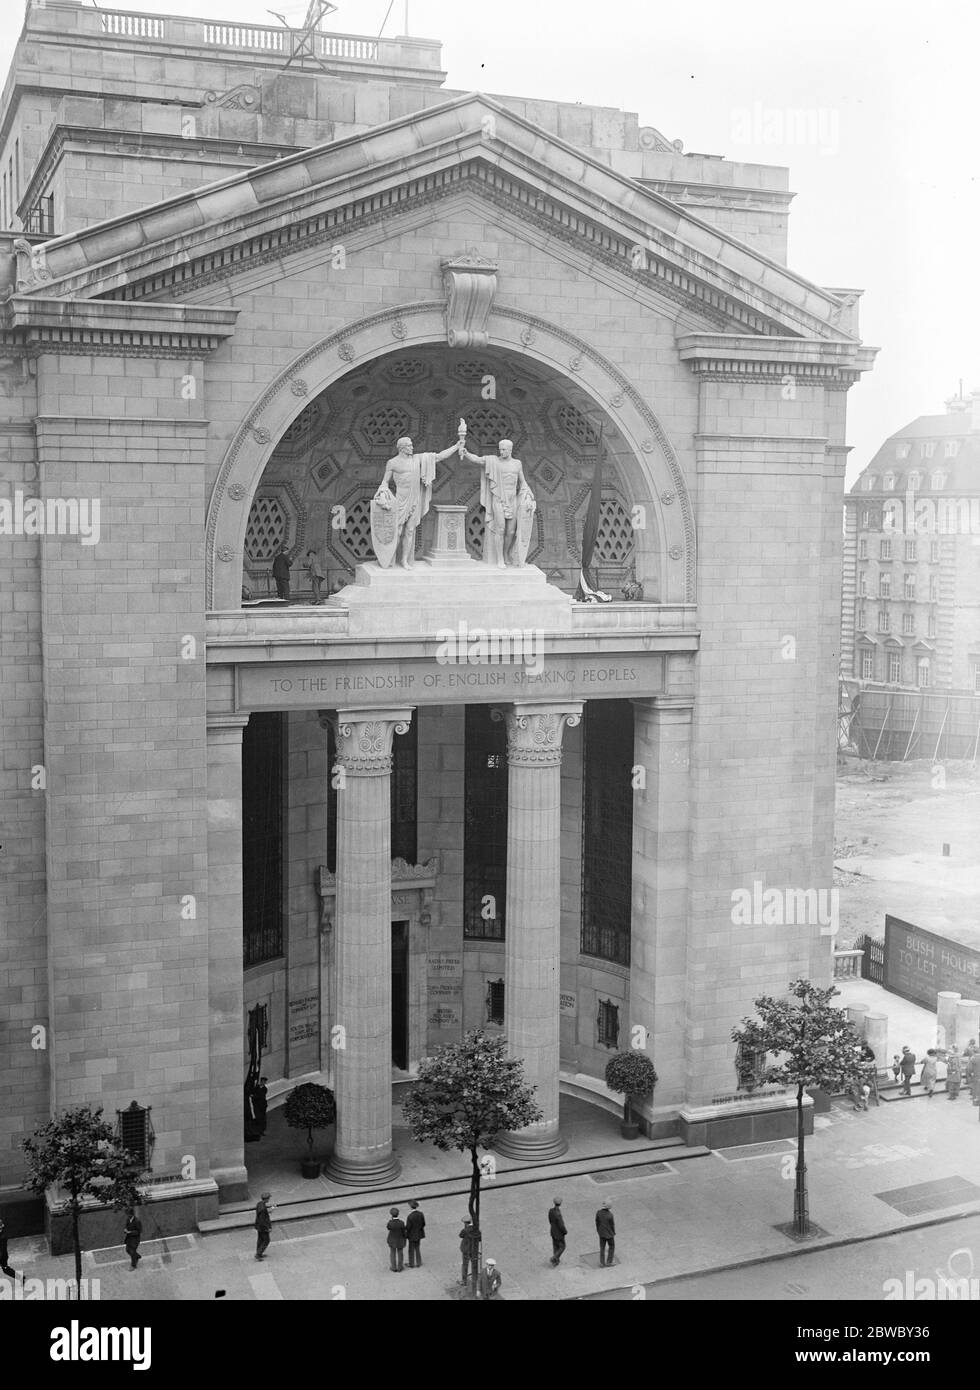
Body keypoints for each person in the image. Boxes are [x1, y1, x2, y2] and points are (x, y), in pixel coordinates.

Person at [372, 436, 461, 569]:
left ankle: (404, 560)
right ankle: (388, 558)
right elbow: (385, 481)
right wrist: (382, 492)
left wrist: (456, 446)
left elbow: (439, 457)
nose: (412, 447)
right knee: (397, 531)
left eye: (412, 445)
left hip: (415, 499)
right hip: (400, 500)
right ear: (402, 448)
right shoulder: (392, 463)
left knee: (410, 531)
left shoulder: (417, 459)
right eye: (409, 445)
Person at [459, 437, 536, 568]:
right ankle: (500, 558)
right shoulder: (494, 461)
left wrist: (528, 494)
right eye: (500, 449)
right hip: (499, 499)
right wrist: (466, 453)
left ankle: (506, 554)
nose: (501, 451)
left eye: (504, 449)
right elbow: (478, 460)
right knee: (500, 529)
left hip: (513, 500)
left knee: (511, 532)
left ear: (510, 450)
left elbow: (522, 481)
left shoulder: (517, 463)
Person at [459, 1217, 480, 1287]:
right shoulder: (476, 1229)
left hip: (466, 1249)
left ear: (465, 1223)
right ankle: (475, 1278)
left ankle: (464, 1281)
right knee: (474, 1263)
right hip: (474, 1249)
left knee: (465, 1265)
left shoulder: (465, 1230)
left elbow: (460, 1235)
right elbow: (479, 1239)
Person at [405, 1199, 425, 1268]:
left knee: (411, 1249)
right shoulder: (421, 1214)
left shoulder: (410, 1216)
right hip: (419, 1234)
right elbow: (423, 1224)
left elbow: (408, 1227)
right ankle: (418, 1262)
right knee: (417, 1248)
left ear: (410, 1207)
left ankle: (411, 1263)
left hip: (412, 1235)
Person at [386, 1207, 406, 1273]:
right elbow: (404, 1231)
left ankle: (393, 1267)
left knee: (392, 1253)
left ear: (391, 1215)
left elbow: (388, 1228)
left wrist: (390, 1220)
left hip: (392, 1240)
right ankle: (400, 1267)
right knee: (400, 1253)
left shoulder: (390, 1223)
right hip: (400, 1240)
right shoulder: (402, 1223)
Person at [548, 1197, 567, 1266]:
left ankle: (556, 1262)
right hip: (559, 1234)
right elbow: (561, 1225)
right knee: (562, 1246)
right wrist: (565, 1231)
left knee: (555, 1246)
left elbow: (550, 1220)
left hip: (553, 1231)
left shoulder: (551, 1211)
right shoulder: (558, 1214)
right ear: (560, 1203)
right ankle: (554, 1258)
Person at [596, 1201, 616, 1267]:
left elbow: (597, 1222)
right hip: (609, 1234)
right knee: (611, 1246)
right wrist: (613, 1232)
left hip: (601, 1233)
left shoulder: (598, 1213)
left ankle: (602, 1262)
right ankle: (609, 1262)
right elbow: (612, 1225)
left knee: (602, 1248)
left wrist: (598, 1230)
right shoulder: (610, 1215)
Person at [255, 1192, 273, 1260]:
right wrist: (268, 1228)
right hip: (263, 1227)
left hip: (258, 1226)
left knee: (260, 1240)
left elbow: (261, 1213)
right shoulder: (263, 1208)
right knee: (266, 1240)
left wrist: (268, 1211)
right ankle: (258, 1254)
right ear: (266, 1199)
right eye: (269, 1198)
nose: (269, 1199)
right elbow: (263, 1220)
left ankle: (259, 1252)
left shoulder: (259, 1204)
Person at [0, 1211, 15, 1278]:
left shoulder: (2, 1237)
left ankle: (20, 1278)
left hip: (2, 1257)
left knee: (6, 1269)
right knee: (6, 1269)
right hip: (2, 1256)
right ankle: (20, 1277)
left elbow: (2, 1250)